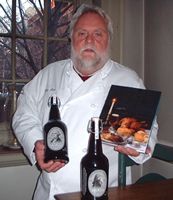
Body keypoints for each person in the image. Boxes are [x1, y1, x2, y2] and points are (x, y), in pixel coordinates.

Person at [12, 4, 158, 200]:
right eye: (82, 33)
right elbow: (23, 113)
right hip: (49, 192)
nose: (89, 40)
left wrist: (138, 147)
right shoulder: (49, 73)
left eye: (98, 34)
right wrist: (34, 143)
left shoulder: (128, 81)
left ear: (108, 40)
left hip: (103, 192)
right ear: (71, 38)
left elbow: (149, 132)